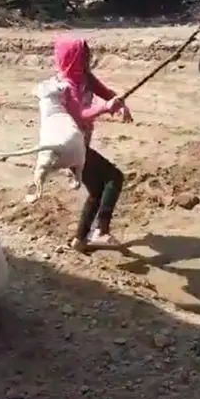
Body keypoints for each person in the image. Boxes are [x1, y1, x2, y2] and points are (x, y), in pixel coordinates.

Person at [52, 38, 133, 253]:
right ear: (72, 58)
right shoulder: (66, 86)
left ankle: (80, 240)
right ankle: (101, 231)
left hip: (81, 143)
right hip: (69, 146)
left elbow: (106, 92)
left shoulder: (85, 78)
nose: (88, 59)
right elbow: (80, 114)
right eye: (83, 55)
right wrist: (106, 108)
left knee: (97, 190)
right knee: (114, 178)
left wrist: (119, 104)